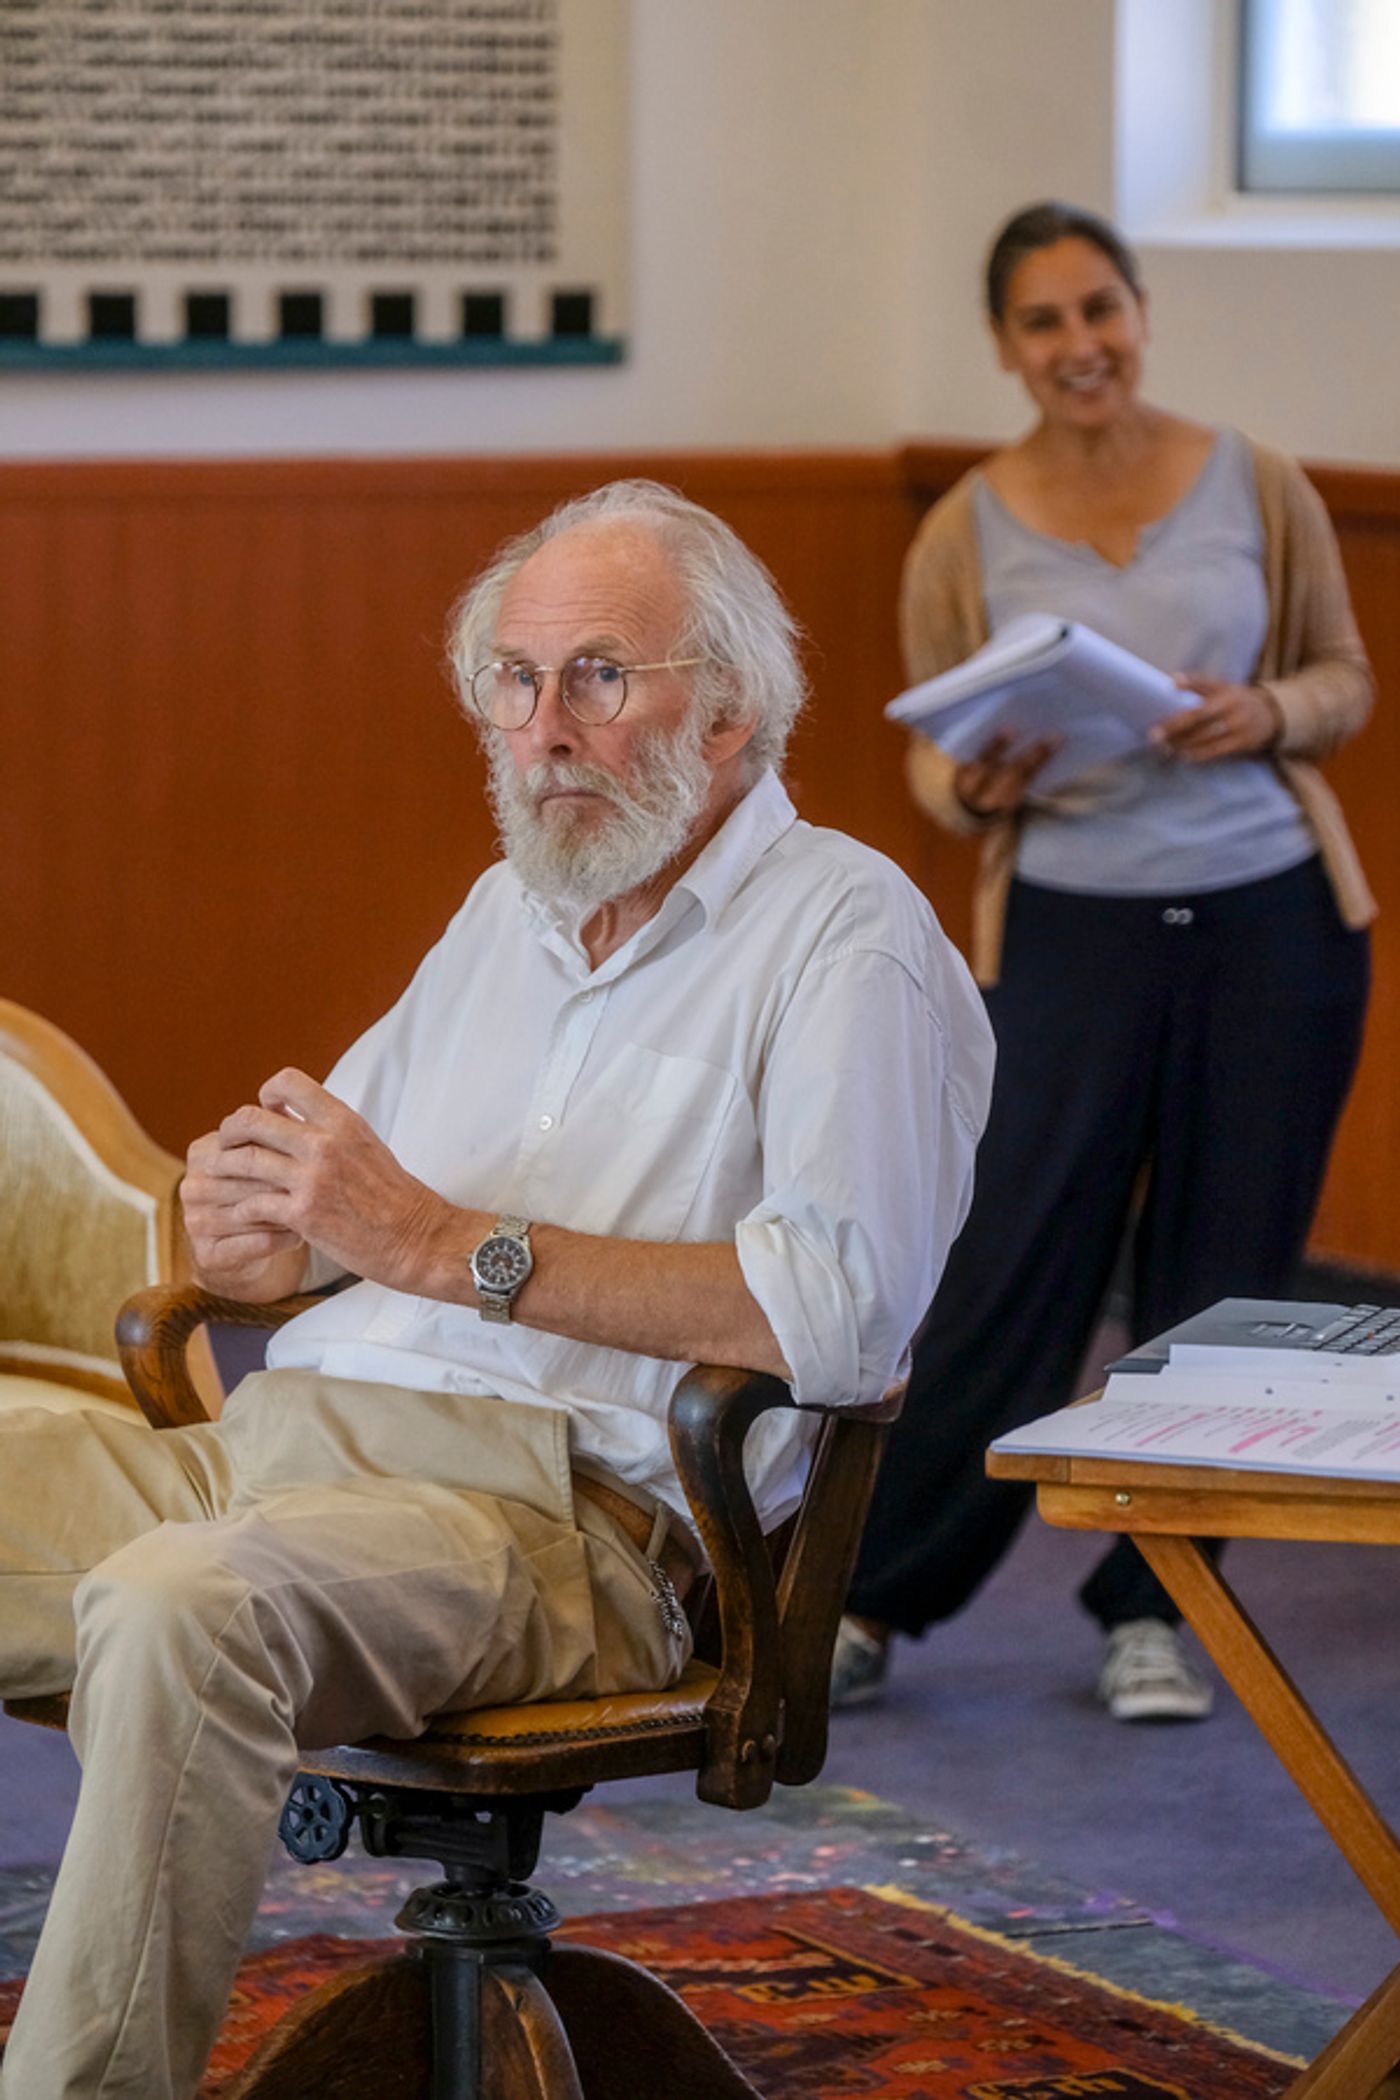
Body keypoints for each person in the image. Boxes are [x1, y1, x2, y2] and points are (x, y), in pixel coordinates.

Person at [0, 479, 993, 2100]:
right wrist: (268, 1239)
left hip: (556, 1523)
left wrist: (437, 1245)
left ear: (731, 710)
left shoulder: (847, 935)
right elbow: (347, 1215)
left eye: (599, 675)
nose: (544, 732)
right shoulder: (509, 912)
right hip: (280, 1452)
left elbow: (841, 1318)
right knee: (165, 1564)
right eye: (515, 682)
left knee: (181, 1610)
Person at [832, 202, 1374, 1724]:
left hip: (1271, 924)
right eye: (1045, 321)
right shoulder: (964, 527)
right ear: (1005, 347)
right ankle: (873, 1596)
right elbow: (935, 752)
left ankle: (1154, 1610)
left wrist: (1267, 713)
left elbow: (1341, 677)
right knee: (1010, 1265)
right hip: (1071, 929)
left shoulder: (1255, 480)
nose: (1081, 345)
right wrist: (972, 783)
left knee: (1226, 1286)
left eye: (1100, 310)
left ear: (1139, 313)